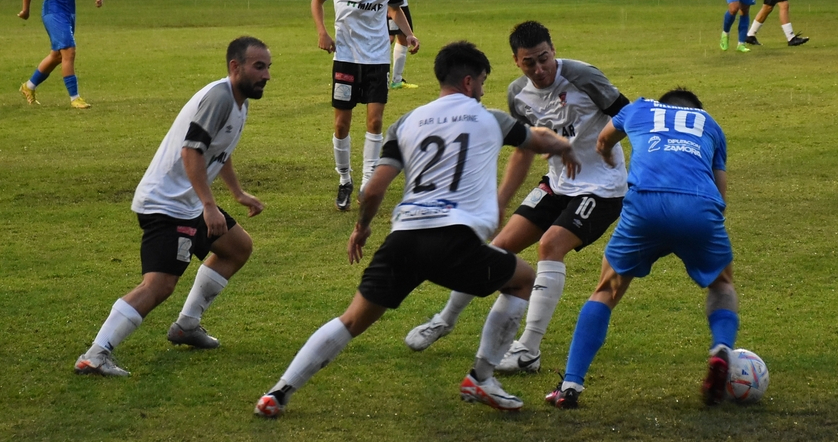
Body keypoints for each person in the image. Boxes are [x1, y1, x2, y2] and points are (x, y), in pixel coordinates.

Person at [254, 41, 581, 418]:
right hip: (453, 237)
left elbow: (374, 189)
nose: (484, 91)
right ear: (470, 81)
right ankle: (482, 375)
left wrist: (361, 229)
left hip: (404, 237)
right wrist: (564, 148)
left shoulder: (406, 122)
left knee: (350, 320)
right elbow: (537, 139)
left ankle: (278, 392)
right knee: (523, 279)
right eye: (484, 83)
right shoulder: (487, 118)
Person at [404, 21, 630, 375]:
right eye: (529, 63)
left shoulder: (584, 76)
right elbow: (524, 143)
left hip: (601, 187)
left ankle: (528, 350)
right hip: (557, 183)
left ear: (553, 49)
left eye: (544, 59)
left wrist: (604, 145)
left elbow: (627, 115)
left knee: (550, 246)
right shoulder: (516, 95)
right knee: (498, 246)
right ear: (516, 62)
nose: (539, 69)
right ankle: (444, 320)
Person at [74, 36, 271, 377]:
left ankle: (187, 325)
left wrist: (237, 193)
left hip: (190, 202)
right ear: (235, 67)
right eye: (259, 67)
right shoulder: (220, 97)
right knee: (159, 286)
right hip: (167, 204)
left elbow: (217, 150)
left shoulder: (240, 101)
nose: (266, 75)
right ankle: (97, 352)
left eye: (268, 67)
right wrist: (210, 205)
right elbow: (191, 151)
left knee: (237, 248)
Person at [545, 88, 739, 409]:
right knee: (723, 284)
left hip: (644, 205)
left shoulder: (641, 108)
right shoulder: (711, 124)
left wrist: (607, 156)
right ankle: (721, 351)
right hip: (699, 208)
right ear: (695, 110)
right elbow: (721, 195)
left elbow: (604, 140)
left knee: (606, 289)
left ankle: (570, 387)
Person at [312, 0, 420, 211]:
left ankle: (367, 183)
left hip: (377, 59)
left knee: (374, 122)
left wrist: (408, 34)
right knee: (341, 124)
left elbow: (395, 8)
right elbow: (316, 0)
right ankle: (345, 179)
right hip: (346, 58)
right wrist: (323, 32)